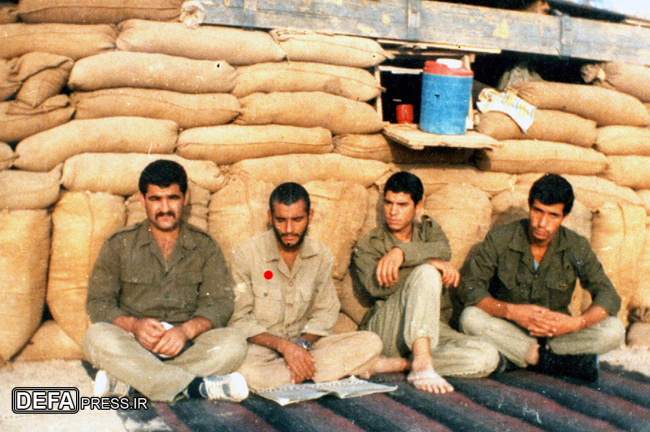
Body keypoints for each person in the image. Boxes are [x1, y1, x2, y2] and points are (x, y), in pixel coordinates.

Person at [83, 160, 249, 402]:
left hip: (187, 347)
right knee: (95, 337)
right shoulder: (119, 244)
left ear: (185, 198)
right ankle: (196, 388)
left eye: (172, 198)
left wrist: (185, 331)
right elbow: (98, 302)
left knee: (234, 344)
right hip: (135, 346)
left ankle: (133, 385)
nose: (165, 208)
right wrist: (134, 326)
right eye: (155, 199)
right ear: (142, 200)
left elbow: (220, 304)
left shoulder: (205, 246)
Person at [458, 173, 625, 382]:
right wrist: (511, 311)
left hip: (556, 335)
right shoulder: (501, 238)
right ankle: (553, 362)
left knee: (614, 330)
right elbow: (471, 288)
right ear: (530, 207)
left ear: (564, 217)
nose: (542, 223)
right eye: (538, 211)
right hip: (508, 328)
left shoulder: (576, 246)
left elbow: (608, 295)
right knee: (470, 318)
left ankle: (521, 358)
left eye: (553, 215)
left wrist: (576, 324)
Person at [352, 172, 500, 394]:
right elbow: (377, 285)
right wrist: (428, 264)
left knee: (487, 356)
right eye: (388, 203)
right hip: (388, 327)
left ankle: (403, 364)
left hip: (429, 326)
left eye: (402, 204)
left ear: (418, 206)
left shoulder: (428, 229)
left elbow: (444, 249)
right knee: (428, 273)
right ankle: (421, 363)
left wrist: (401, 252)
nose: (393, 211)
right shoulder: (369, 244)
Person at [229, 182, 383, 390]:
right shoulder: (246, 254)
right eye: (281, 220)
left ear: (309, 216)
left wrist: (301, 346)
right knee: (245, 371)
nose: (289, 229)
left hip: (306, 347)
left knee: (371, 342)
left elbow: (326, 312)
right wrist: (284, 347)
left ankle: (294, 374)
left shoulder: (321, 255)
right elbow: (239, 319)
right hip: (261, 348)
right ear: (270, 217)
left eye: (297, 220)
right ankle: (323, 372)